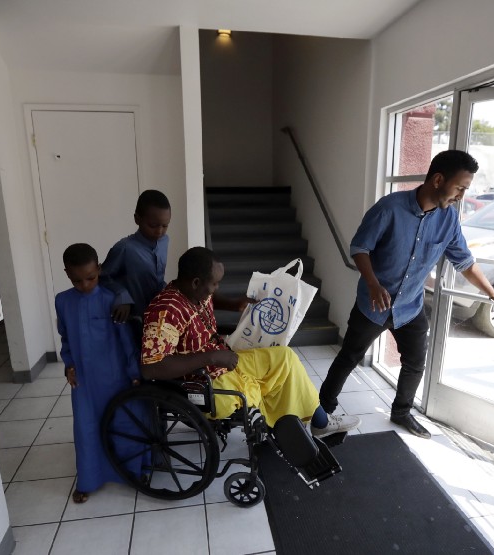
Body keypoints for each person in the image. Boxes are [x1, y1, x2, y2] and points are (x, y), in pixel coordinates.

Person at [319, 150, 494, 439]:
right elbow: (360, 248)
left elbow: (464, 262)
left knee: (415, 363)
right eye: (460, 187)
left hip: (410, 307)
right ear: (438, 180)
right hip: (374, 304)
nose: (462, 196)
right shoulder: (389, 208)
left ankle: (401, 413)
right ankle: (322, 412)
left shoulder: (449, 219)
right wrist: (373, 284)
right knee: (349, 357)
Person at [140, 247, 360, 437]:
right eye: (215, 284)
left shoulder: (193, 292)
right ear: (196, 282)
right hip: (202, 381)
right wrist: (212, 357)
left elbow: (209, 301)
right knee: (256, 386)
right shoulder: (166, 312)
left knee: (285, 358)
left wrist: (234, 305)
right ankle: (278, 424)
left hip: (221, 360)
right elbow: (151, 368)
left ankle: (320, 423)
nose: (216, 289)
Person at [55, 243, 143, 503]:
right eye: (77, 280)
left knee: (124, 423)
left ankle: (132, 473)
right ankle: (89, 480)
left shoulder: (111, 299)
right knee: (86, 428)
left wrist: (134, 372)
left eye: (91, 278)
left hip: (116, 377)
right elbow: (65, 338)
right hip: (84, 381)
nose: (84, 285)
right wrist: (69, 364)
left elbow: (126, 340)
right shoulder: (63, 301)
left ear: (100, 270)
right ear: (67, 274)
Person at [100, 189, 172, 330]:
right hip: (134, 320)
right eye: (153, 225)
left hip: (159, 317)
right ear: (137, 219)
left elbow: (158, 277)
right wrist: (123, 295)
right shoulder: (124, 248)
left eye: (165, 226)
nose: (159, 231)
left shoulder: (165, 241)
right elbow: (103, 277)